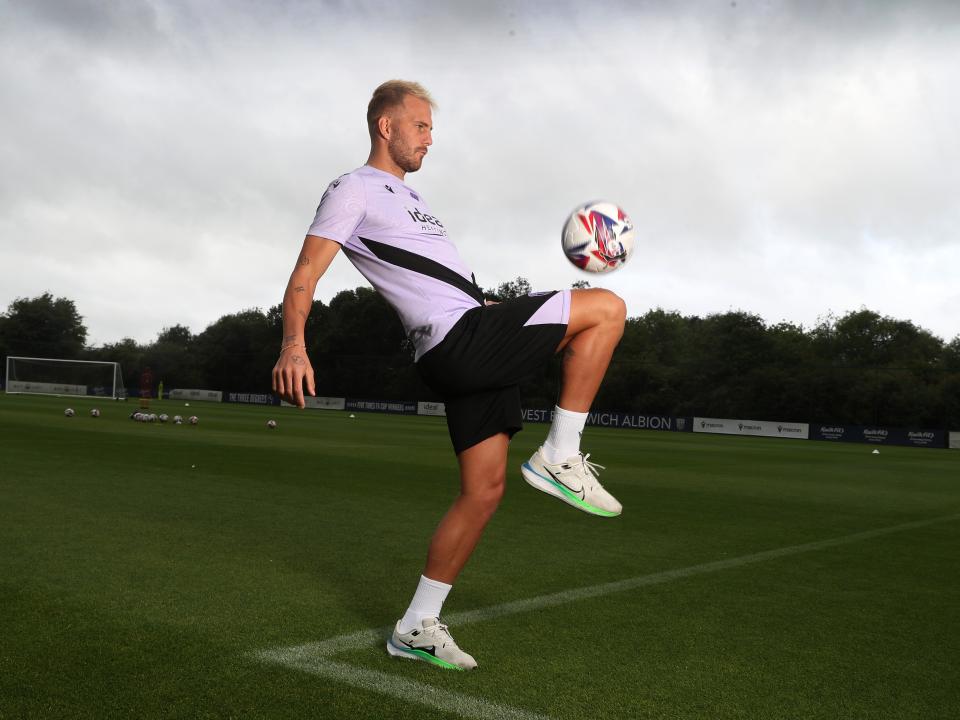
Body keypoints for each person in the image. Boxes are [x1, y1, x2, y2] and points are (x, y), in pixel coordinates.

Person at [272, 80, 627, 671]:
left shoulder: (413, 201)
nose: (429, 140)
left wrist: (486, 309)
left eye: (431, 129)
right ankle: (561, 453)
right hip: (455, 343)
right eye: (421, 127)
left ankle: (416, 625)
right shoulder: (354, 188)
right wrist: (293, 344)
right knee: (606, 308)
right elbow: (307, 269)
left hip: (467, 336)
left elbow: (427, 277)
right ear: (386, 127)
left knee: (483, 492)